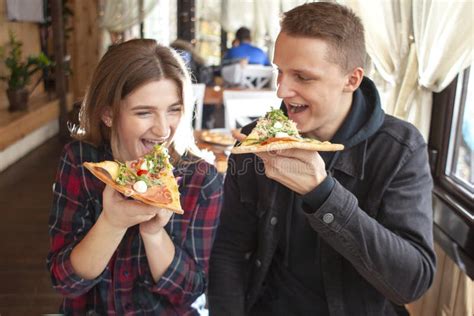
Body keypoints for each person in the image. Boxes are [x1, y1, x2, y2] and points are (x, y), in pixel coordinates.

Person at [209, 2, 435, 316]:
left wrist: (323, 194)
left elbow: (411, 282)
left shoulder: (400, 148)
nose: (281, 90)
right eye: (280, 72)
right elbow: (229, 252)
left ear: (352, 80)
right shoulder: (255, 141)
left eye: (302, 77)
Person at [47, 39, 223, 315]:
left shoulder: (202, 180)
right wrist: (111, 222)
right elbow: (65, 282)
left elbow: (190, 292)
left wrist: (154, 234)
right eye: (144, 113)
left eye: (174, 109)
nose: (164, 129)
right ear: (108, 113)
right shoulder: (80, 161)